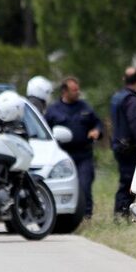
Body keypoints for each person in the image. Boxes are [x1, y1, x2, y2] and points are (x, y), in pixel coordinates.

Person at [45, 77, 103, 218]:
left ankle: (86, 216)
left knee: (84, 186)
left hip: (83, 155)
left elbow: (97, 123)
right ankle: (61, 216)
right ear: (64, 91)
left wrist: (96, 131)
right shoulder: (53, 110)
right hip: (63, 156)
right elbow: (45, 132)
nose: (78, 92)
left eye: (78, 89)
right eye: (74, 90)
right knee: (62, 187)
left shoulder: (85, 107)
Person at [110, 67, 136, 217]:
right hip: (131, 148)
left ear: (124, 79)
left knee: (126, 180)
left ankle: (122, 212)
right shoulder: (133, 101)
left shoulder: (117, 97)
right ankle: (122, 212)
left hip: (119, 146)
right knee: (130, 182)